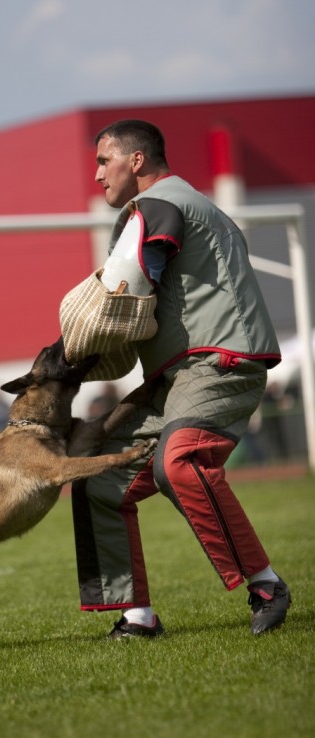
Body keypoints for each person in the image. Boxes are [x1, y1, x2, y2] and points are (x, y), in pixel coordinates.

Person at [68, 119, 291, 639]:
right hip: (178, 377)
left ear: (136, 161)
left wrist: (80, 336)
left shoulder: (159, 203)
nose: (97, 174)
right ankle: (137, 616)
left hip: (219, 364)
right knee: (97, 479)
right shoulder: (176, 204)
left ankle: (266, 585)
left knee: (180, 461)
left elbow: (131, 279)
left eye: (104, 161)